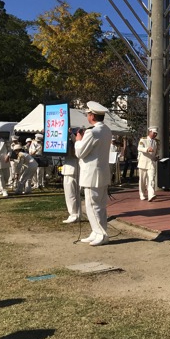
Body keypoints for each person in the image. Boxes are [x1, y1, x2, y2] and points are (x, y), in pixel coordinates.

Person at [74, 101, 113, 246]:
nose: (87, 116)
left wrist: (78, 140)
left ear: (92, 116)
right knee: (100, 205)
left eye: (88, 114)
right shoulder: (106, 130)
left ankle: (101, 234)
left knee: (92, 205)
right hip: (102, 172)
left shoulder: (92, 132)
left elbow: (80, 152)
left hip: (91, 174)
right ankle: (96, 231)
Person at [61, 130, 81, 224]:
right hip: (68, 169)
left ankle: (74, 214)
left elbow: (77, 142)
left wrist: (71, 134)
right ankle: (75, 213)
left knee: (72, 194)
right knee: (70, 194)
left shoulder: (77, 143)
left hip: (73, 169)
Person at [137, 126, 159, 202]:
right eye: (154, 133)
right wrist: (147, 149)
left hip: (151, 163)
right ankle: (142, 194)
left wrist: (156, 157)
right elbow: (139, 148)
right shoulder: (143, 140)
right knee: (142, 180)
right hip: (143, 163)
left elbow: (155, 152)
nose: (155, 135)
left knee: (151, 179)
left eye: (156, 133)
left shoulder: (156, 142)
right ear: (150, 132)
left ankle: (151, 195)